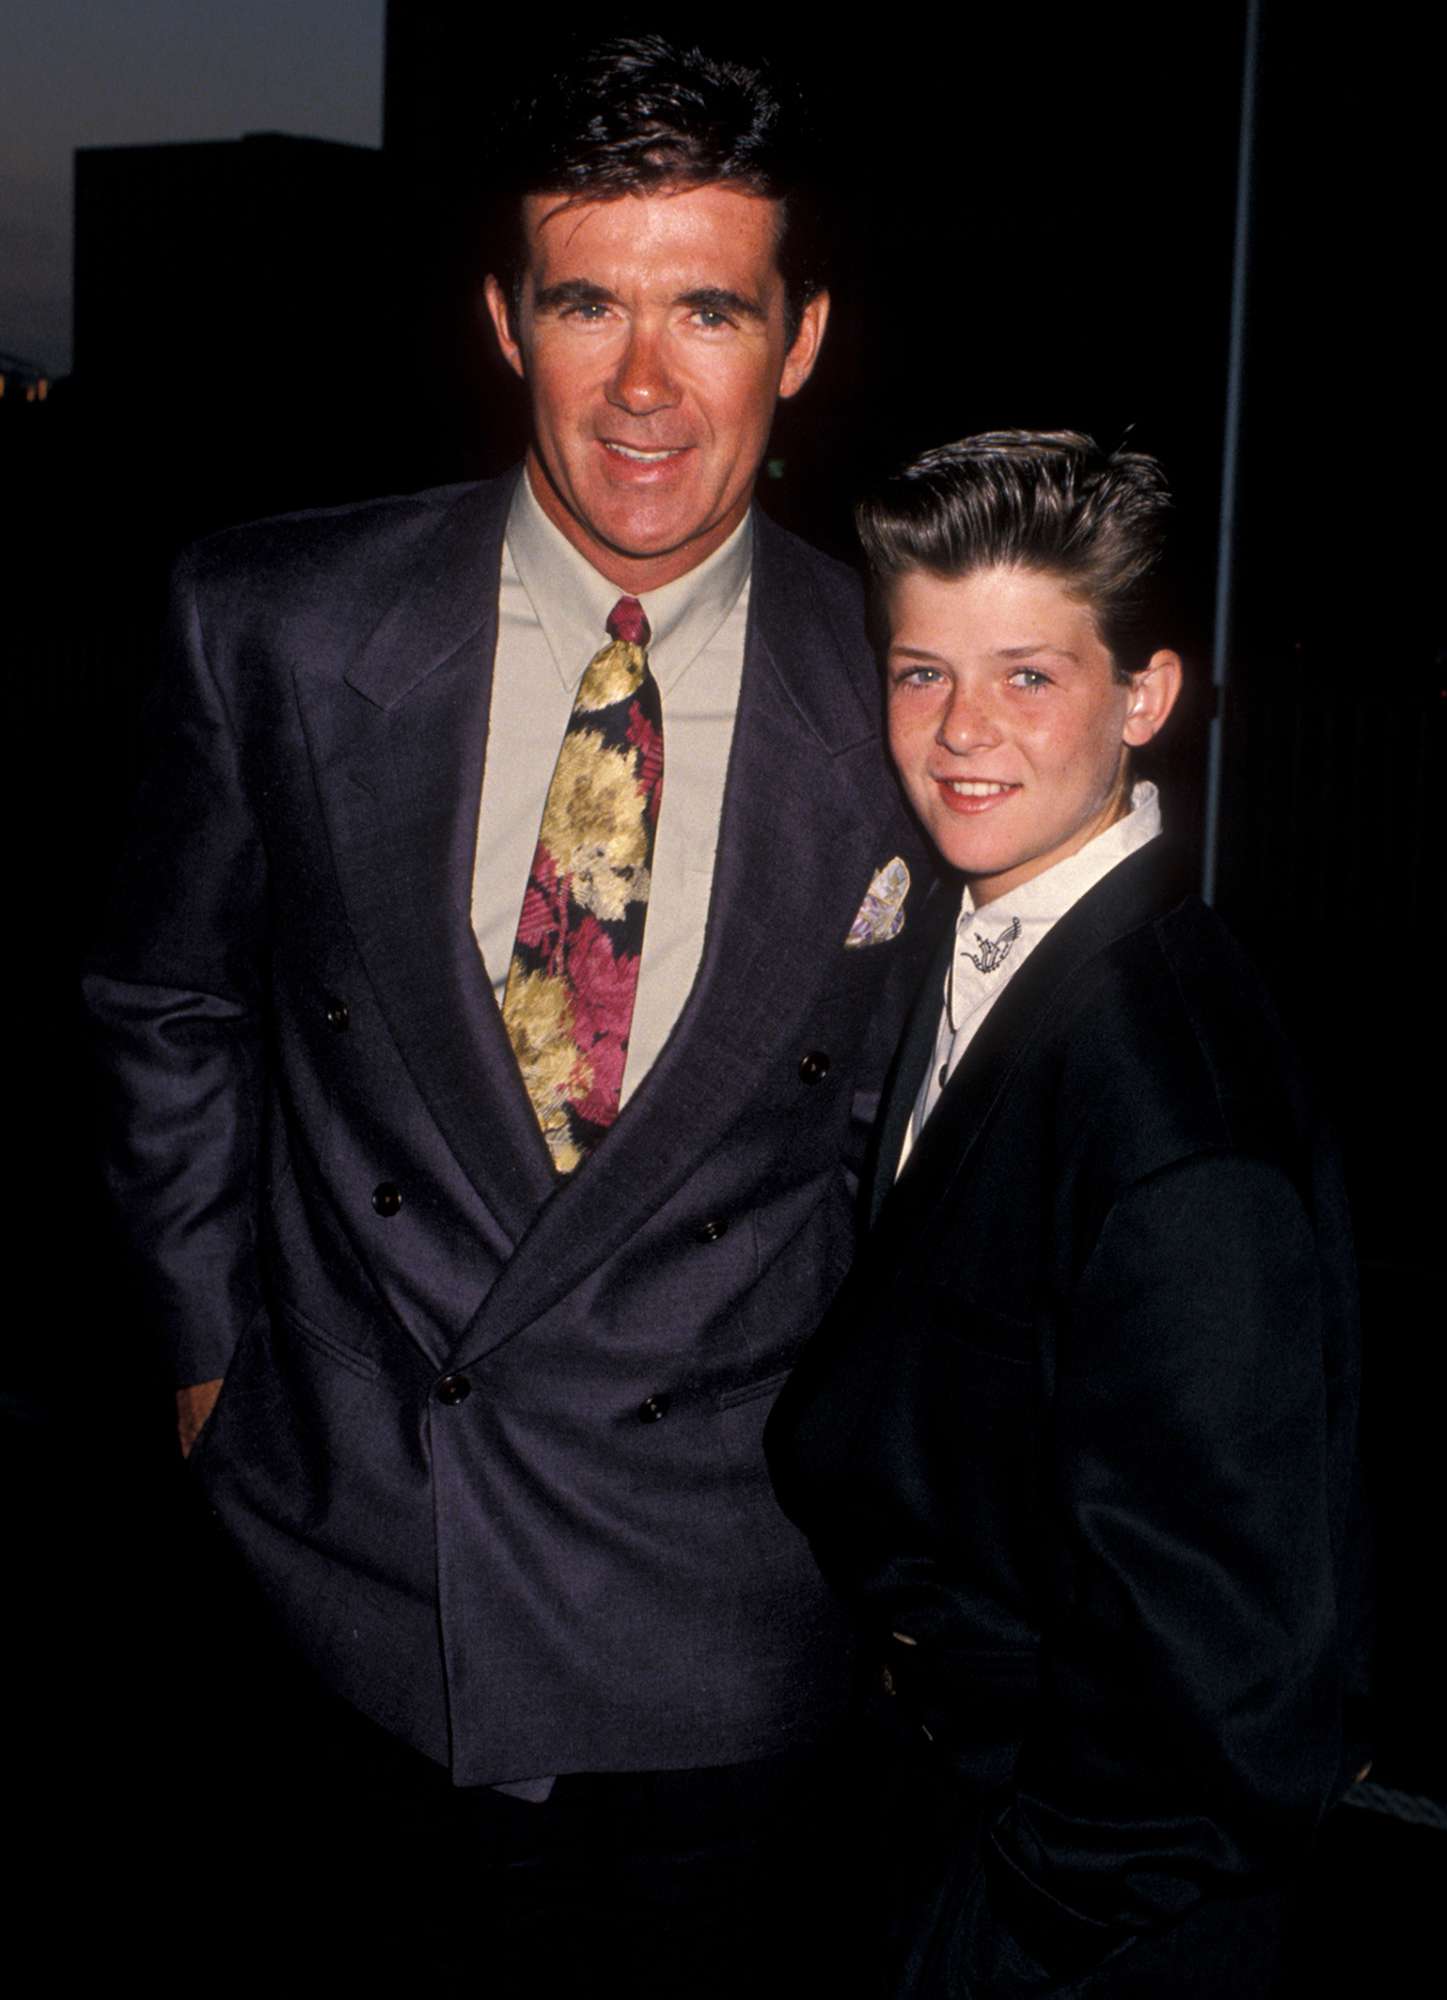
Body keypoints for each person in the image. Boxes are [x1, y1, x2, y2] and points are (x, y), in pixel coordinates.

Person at [84, 37, 933, 1993]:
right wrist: (208, 1347)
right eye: (588, 302)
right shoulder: (280, 624)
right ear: (504, 319)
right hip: (351, 1579)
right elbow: (162, 987)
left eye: (710, 306)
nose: (645, 383)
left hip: (733, 1612)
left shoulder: (922, 697)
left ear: (799, 339)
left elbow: (967, 1148)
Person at [767, 431, 1362, 1997]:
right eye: (920, 674)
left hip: (1072, 1921)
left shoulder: (1174, 1101)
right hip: (939, 1815)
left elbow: (1224, 1680)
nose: (960, 734)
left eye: (1028, 677)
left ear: (1147, 696)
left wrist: (1004, 1933)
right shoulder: (982, 951)